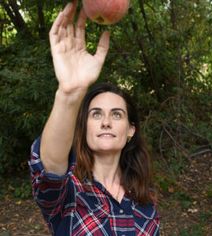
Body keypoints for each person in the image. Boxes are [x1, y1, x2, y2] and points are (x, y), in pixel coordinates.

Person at [28, 1, 160, 235]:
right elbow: (47, 166)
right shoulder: (67, 194)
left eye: (116, 114)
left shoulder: (146, 202)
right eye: (96, 113)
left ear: (131, 130)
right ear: (84, 126)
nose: (106, 122)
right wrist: (69, 93)